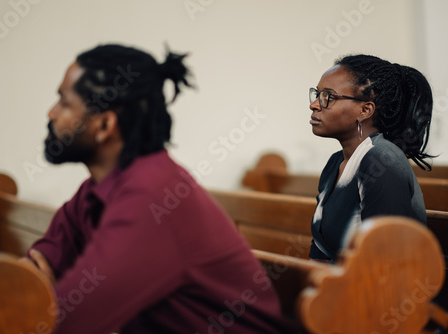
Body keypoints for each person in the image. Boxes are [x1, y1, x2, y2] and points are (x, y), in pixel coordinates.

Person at [24, 44, 294, 334]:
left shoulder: (152, 197)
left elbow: (67, 320)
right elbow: (38, 268)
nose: (51, 113)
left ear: (105, 125)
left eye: (64, 103)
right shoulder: (97, 190)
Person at [308, 54, 434, 263]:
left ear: (365, 110)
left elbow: (386, 261)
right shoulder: (335, 163)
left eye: (328, 97)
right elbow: (320, 250)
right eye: (317, 94)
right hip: (336, 286)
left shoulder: (382, 162)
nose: (314, 104)